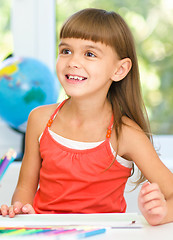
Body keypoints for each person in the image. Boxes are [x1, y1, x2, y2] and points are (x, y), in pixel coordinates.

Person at [1, 8, 173, 226]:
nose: (72, 61)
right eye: (65, 51)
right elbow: (25, 189)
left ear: (120, 70)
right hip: (46, 233)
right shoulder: (40, 119)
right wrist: (20, 209)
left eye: (89, 54)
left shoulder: (126, 134)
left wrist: (160, 214)